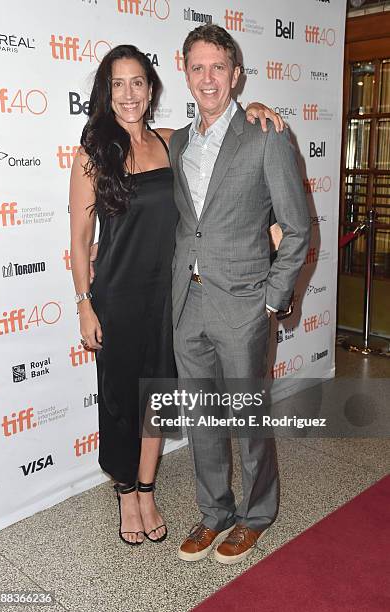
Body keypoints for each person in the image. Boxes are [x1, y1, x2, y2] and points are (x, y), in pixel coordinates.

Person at [69, 44, 284, 547]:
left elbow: (224, 139)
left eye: (138, 82)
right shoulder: (91, 156)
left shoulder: (171, 142)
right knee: (122, 400)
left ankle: (147, 488)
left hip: (170, 295)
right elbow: (80, 240)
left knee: (157, 399)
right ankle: (127, 494)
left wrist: (255, 109)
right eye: (118, 84)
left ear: (152, 89)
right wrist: (84, 301)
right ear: (107, 91)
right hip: (117, 297)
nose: (128, 93)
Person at [170, 24, 310, 564]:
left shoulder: (267, 135)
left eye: (218, 67)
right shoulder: (180, 140)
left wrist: (274, 298)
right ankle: (214, 513)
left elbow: (297, 228)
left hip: (245, 302)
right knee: (201, 417)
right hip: (190, 301)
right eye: (198, 67)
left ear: (236, 75)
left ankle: (256, 515)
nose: (208, 78)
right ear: (185, 73)